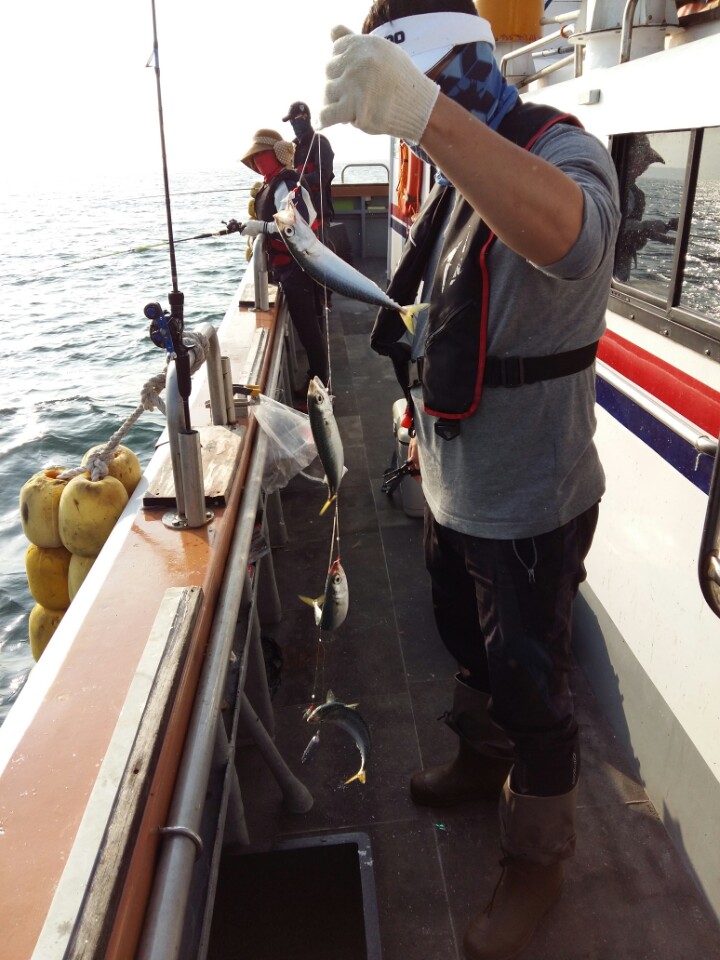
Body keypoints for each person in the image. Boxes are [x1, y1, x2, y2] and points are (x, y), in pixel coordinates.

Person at [320, 4, 620, 960]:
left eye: (419, 91)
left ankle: (538, 858)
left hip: (531, 497)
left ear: (461, 62)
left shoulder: (562, 150)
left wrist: (428, 119)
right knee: (464, 636)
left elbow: (573, 238)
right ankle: (481, 757)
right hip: (452, 481)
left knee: (536, 689)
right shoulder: (456, 172)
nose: (419, 121)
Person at [229, 129, 328, 392]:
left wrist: (259, 227)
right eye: (254, 157)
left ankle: (319, 384)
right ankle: (318, 379)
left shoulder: (286, 183)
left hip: (297, 266)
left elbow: (296, 225)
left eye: (260, 154)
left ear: (274, 154)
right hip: (286, 266)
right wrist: (250, 226)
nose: (256, 161)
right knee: (308, 324)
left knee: (308, 327)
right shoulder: (271, 183)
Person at [614, 134, 676, 282]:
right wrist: (645, 226)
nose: (644, 168)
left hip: (620, 267)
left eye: (647, 163)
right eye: (643, 161)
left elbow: (631, 235)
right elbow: (610, 226)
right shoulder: (612, 186)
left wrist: (668, 237)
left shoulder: (637, 194)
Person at [282, 100, 336, 241]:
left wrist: (296, 178)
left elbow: (322, 177)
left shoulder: (320, 143)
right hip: (298, 214)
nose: (293, 123)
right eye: (291, 121)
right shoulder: (293, 146)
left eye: (295, 119)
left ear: (305, 117)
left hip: (318, 214)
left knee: (321, 252)